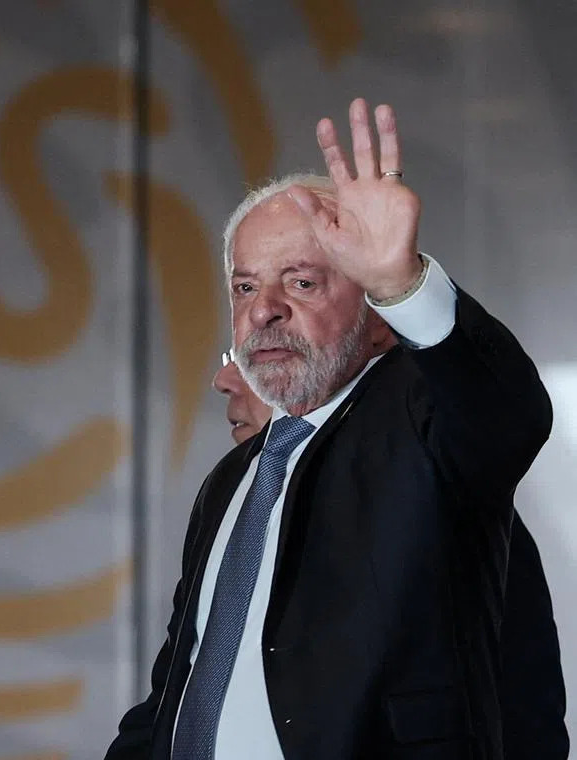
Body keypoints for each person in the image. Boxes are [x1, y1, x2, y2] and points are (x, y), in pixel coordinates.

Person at [105, 98, 553, 758]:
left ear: (377, 316)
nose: (264, 311)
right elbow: (181, 680)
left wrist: (404, 284)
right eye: (245, 287)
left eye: (302, 283)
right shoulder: (232, 480)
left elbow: (505, 414)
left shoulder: (419, 428)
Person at [212, 354, 568, 758]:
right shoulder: (229, 508)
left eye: (253, 359)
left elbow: (524, 710)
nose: (223, 380)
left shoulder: (447, 507)